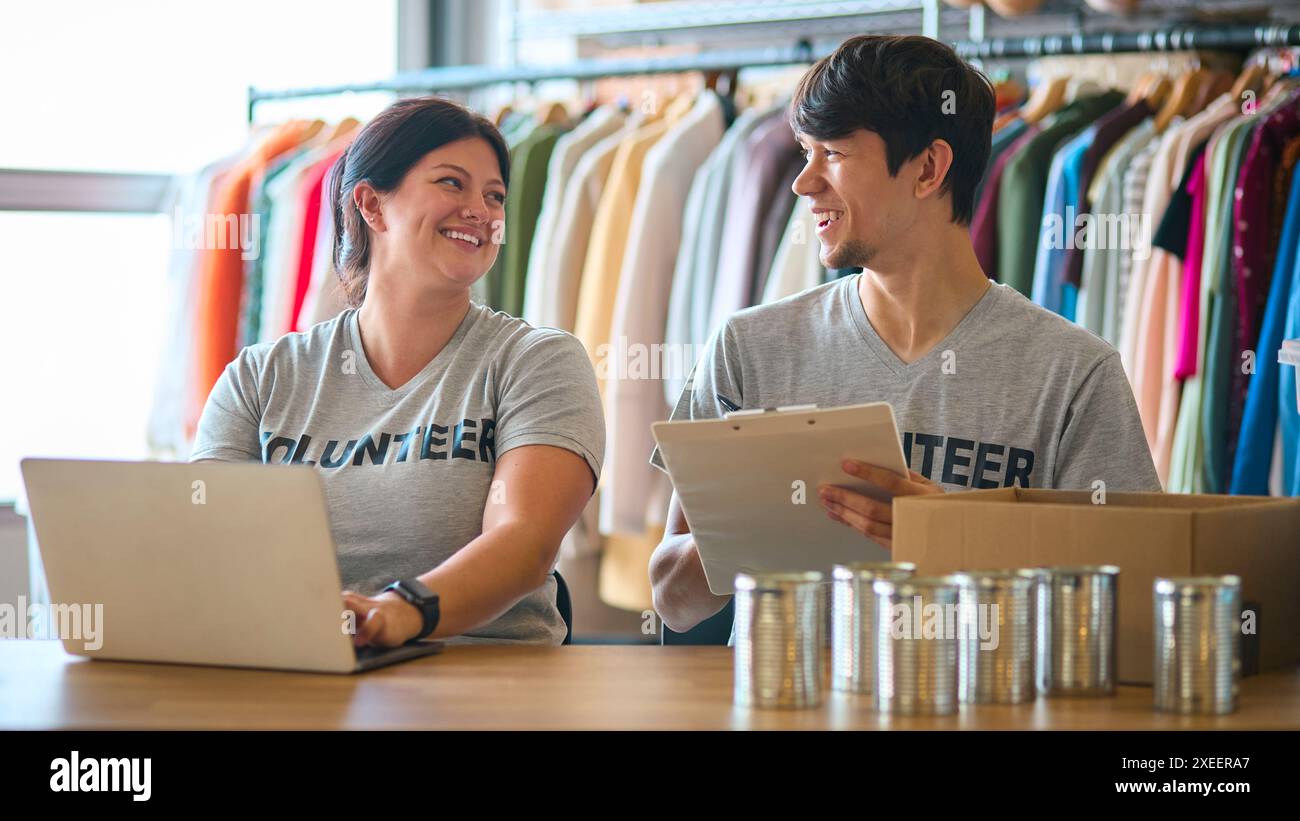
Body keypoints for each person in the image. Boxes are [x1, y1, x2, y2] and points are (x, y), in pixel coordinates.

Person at [648, 35, 1161, 635]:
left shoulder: (1074, 374)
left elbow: (1128, 610)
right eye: (805, 152)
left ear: (928, 168)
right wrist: (763, 523)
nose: (802, 183)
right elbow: (670, 600)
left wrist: (952, 543)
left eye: (833, 154)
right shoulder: (747, 348)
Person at [191, 97, 604, 647]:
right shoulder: (260, 379)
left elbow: (523, 542)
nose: (482, 210)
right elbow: (204, 543)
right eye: (452, 184)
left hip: (491, 688)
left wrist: (400, 612)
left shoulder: (536, 362)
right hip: (306, 678)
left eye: (495, 194)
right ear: (371, 205)